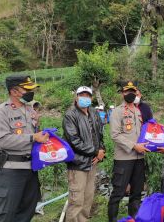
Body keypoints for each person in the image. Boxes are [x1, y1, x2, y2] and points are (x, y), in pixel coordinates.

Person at [0, 75, 49, 222]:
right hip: (11, 171)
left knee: (27, 211)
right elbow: (2, 140)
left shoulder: (30, 111)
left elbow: (35, 136)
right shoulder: (0, 112)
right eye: (26, 90)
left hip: (31, 169)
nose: (31, 93)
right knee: (5, 214)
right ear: (14, 91)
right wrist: (33, 137)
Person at [62, 86, 105, 222]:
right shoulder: (70, 115)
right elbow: (74, 141)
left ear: (91, 98)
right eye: (82, 95)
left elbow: (100, 134)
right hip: (77, 163)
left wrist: (102, 150)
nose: (85, 98)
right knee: (76, 201)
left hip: (93, 162)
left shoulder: (93, 112)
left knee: (88, 199)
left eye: (87, 95)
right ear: (76, 97)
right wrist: (95, 151)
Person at [108, 81, 149, 221]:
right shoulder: (117, 111)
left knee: (137, 192)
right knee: (118, 193)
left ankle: (134, 218)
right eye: (127, 91)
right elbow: (115, 134)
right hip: (123, 159)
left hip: (139, 158)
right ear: (122, 93)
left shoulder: (138, 111)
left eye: (133, 91)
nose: (130, 94)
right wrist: (133, 146)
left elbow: (142, 132)